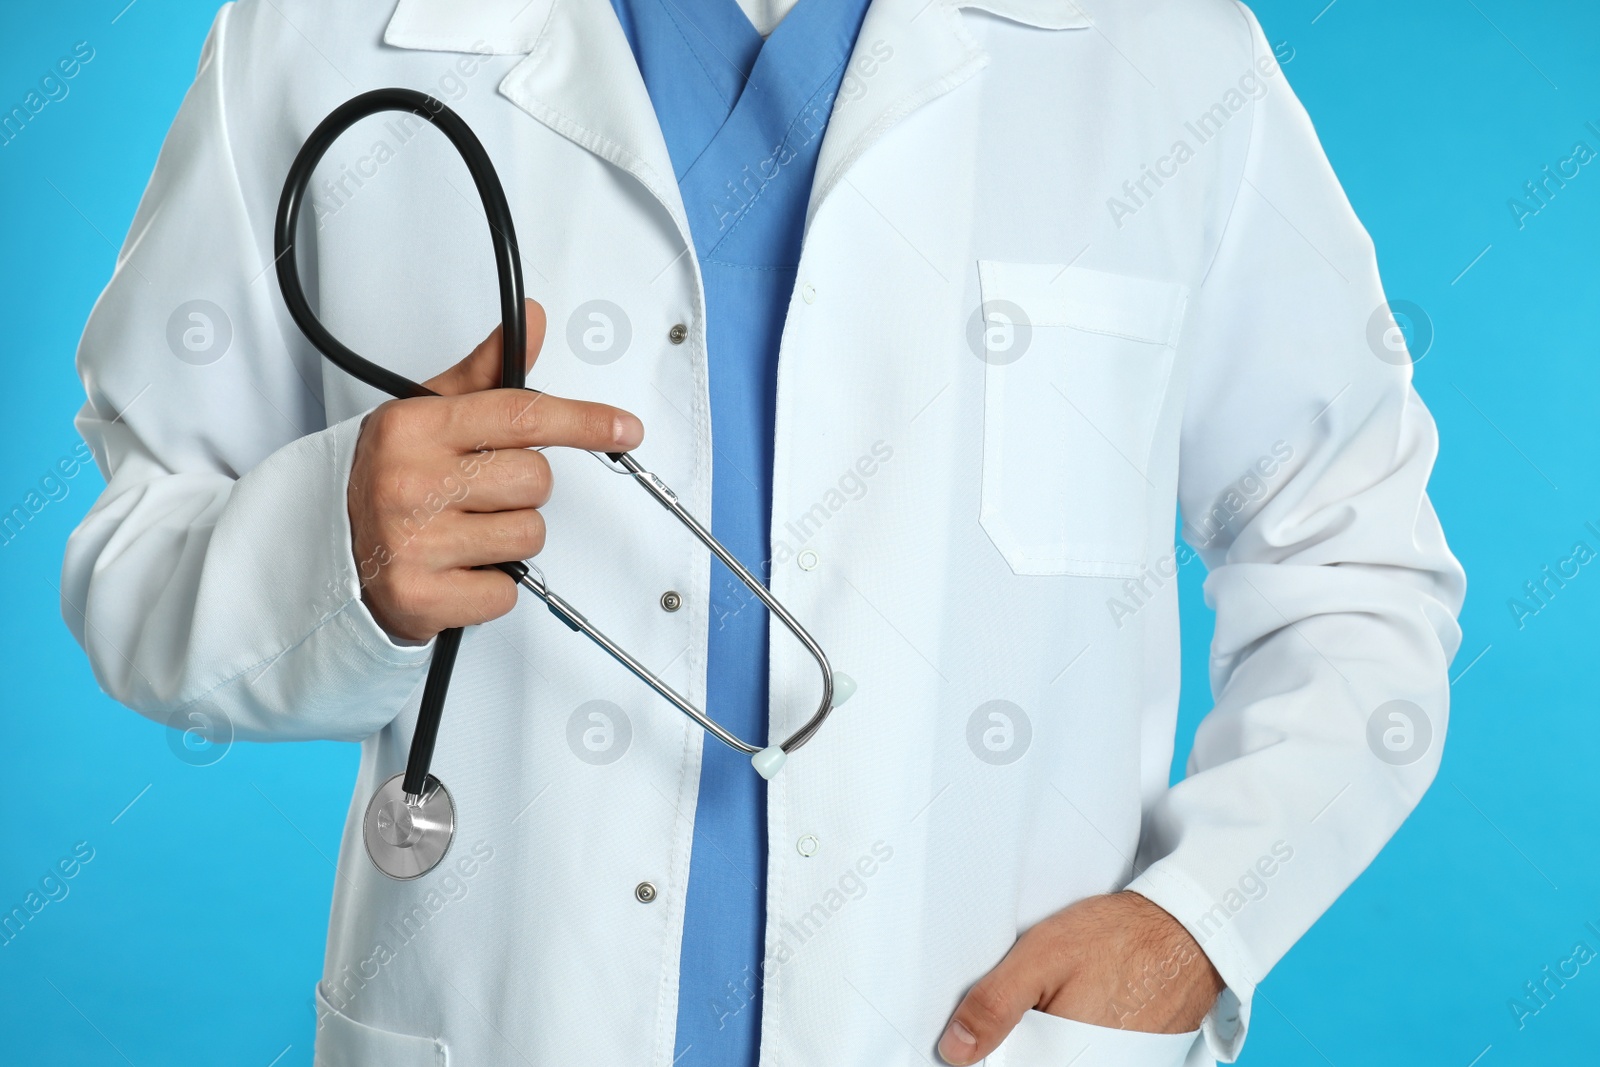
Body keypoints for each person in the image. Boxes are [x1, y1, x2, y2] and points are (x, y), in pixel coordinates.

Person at [61, 0, 1465, 1064]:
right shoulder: (318, 31)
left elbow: (1355, 560)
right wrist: (332, 556)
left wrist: (1200, 922)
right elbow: (138, 547)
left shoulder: (1153, 47)